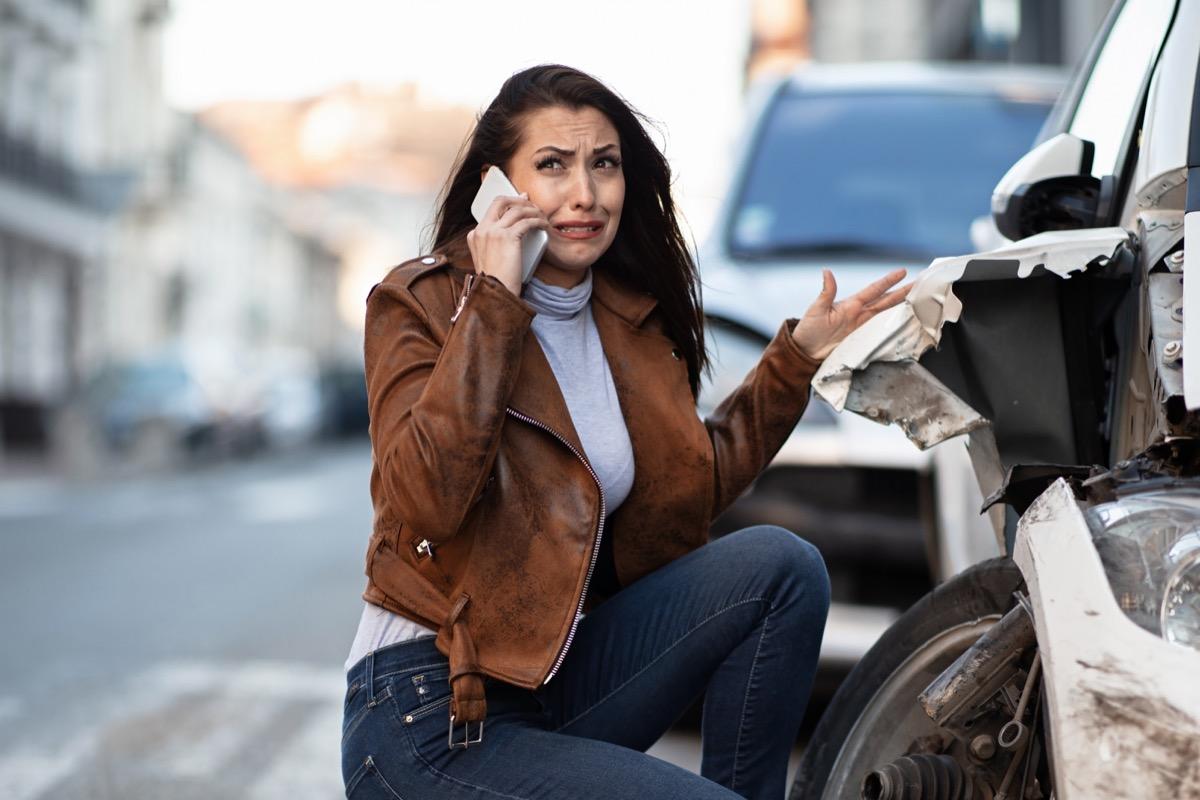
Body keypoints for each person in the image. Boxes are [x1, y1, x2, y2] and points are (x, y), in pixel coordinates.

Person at [341, 64, 908, 800]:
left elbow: (688, 489)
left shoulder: (629, 319)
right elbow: (426, 502)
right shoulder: (422, 303)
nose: (585, 194)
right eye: (552, 166)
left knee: (781, 566)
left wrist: (794, 361)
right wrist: (494, 302)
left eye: (603, 165)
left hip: (560, 679)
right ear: (497, 188)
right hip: (429, 711)